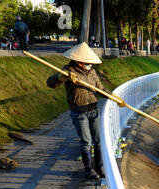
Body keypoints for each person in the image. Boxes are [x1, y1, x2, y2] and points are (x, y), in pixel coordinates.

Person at [46, 42, 123, 180]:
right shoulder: (68, 71)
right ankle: (88, 170)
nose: (89, 64)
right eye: (86, 62)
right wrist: (62, 77)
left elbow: (101, 89)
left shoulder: (92, 72)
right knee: (86, 141)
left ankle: (99, 167)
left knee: (98, 140)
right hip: (79, 112)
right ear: (78, 61)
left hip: (93, 109)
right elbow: (50, 83)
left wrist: (114, 97)